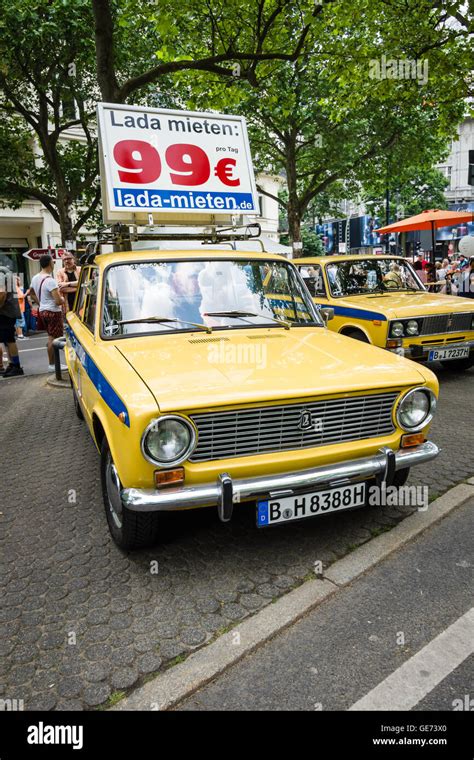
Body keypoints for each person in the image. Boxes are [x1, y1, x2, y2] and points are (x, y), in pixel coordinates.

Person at [30, 254, 68, 372]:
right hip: (53, 312)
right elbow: (57, 301)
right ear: (50, 263)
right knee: (53, 339)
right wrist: (62, 299)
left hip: (43, 311)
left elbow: (31, 293)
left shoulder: (35, 278)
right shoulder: (50, 281)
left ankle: (53, 364)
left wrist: (41, 303)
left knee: (51, 337)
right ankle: (53, 365)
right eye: (53, 262)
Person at [0, 265, 25, 377]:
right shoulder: (5, 271)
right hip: (9, 310)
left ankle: (16, 366)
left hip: (5, 312)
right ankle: (12, 364)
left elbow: (2, 292)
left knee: (9, 340)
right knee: (7, 340)